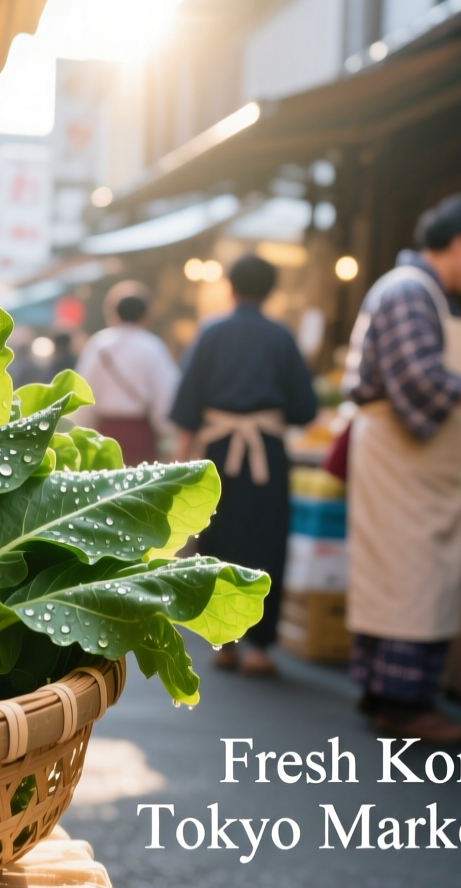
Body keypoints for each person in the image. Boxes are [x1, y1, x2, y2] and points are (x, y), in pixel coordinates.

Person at [341, 193, 461, 743]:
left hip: (409, 463)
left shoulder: (421, 293)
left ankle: (385, 693)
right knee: (411, 578)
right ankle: (404, 704)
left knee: (402, 577)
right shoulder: (409, 291)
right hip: (401, 462)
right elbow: (422, 383)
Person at [170, 255, 317, 677]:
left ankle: (223, 642)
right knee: (266, 543)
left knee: (218, 540)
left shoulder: (210, 331)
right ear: (271, 291)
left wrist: (181, 463)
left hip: (217, 450)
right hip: (267, 452)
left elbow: (187, 403)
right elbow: (305, 407)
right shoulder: (282, 336)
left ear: (230, 287)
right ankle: (258, 647)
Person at [74, 281, 180, 466]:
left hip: (103, 434)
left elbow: (82, 391)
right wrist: (168, 431)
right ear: (144, 315)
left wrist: (82, 431)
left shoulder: (98, 344)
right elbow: (166, 394)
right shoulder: (152, 346)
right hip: (140, 435)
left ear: (114, 313)